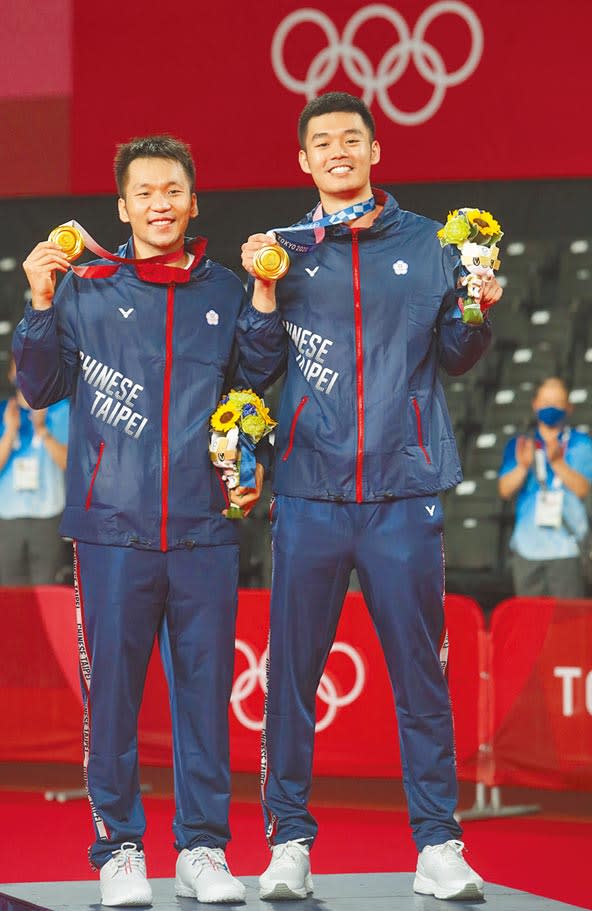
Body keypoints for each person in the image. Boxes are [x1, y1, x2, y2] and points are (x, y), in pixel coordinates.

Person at [241, 92, 502, 902]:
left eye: (352, 139)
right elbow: (254, 370)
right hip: (310, 496)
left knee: (421, 676)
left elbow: (458, 354)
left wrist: (476, 304)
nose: (339, 151)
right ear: (304, 162)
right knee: (291, 678)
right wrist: (256, 293)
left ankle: (438, 844)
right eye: (323, 143)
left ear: (376, 150)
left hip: (404, 492)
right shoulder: (283, 254)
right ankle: (288, 843)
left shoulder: (429, 245)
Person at [14, 135, 280, 908]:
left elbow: (258, 381)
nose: (160, 203)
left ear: (193, 202)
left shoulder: (226, 289)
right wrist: (36, 302)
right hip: (111, 528)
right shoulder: (84, 287)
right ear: (122, 206)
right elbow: (37, 386)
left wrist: (263, 307)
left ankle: (202, 849)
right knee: (116, 701)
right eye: (145, 192)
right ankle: (120, 850)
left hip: (204, 529)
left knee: (204, 698)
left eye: (173, 190)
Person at [498, 376, 592, 597]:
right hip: (527, 551)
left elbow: (583, 490)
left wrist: (558, 463)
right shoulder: (519, 445)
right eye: (546, 401)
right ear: (535, 404)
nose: (550, 407)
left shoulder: (582, 444)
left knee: (566, 627)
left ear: (569, 408)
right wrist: (522, 467)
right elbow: (504, 490)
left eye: (557, 402)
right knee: (531, 626)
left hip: (567, 551)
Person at [0, 357, 69, 584]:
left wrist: (42, 430)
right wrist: (10, 431)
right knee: (12, 597)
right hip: (9, 515)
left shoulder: (61, 411)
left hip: (48, 514)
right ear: (11, 374)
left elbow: (68, 463)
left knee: (46, 592)